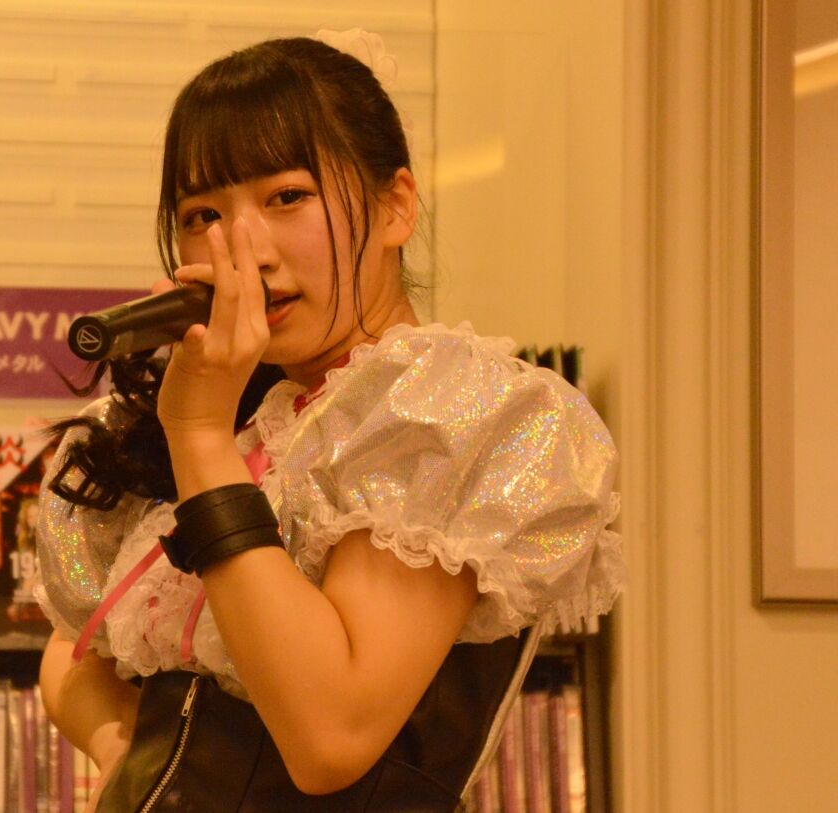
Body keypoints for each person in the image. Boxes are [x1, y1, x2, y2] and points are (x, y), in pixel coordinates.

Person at [34, 30, 624, 812]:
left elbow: (329, 736)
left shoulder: (444, 409)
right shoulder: (247, 416)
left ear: (396, 206)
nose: (245, 250)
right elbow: (71, 652)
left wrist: (200, 438)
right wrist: (123, 749)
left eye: (287, 197)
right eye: (203, 213)